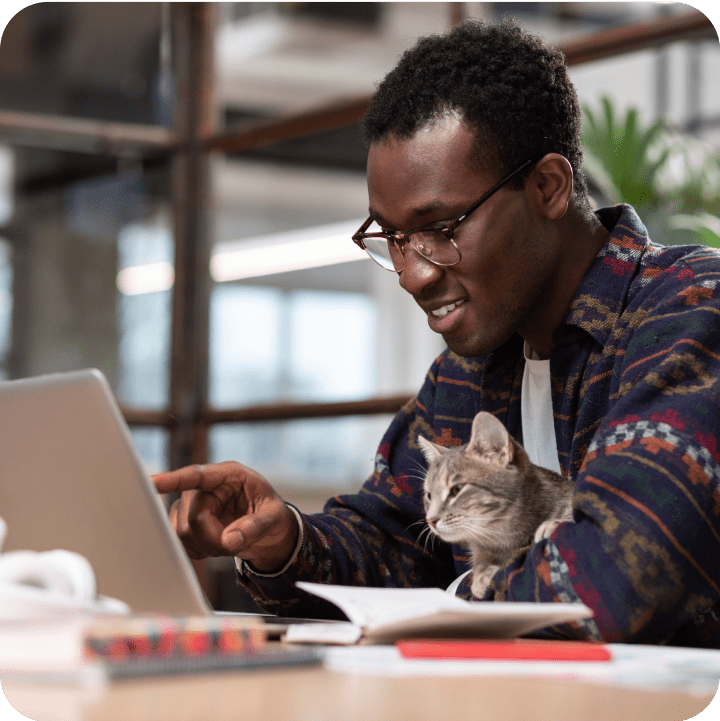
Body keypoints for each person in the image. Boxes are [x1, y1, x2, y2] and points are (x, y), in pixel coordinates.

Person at [153, 19, 720, 647]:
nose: (412, 274)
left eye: (440, 228)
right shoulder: (463, 376)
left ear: (549, 188)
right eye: (392, 239)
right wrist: (288, 540)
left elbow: (615, 580)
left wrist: (455, 599)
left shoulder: (691, 313)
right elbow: (395, 542)